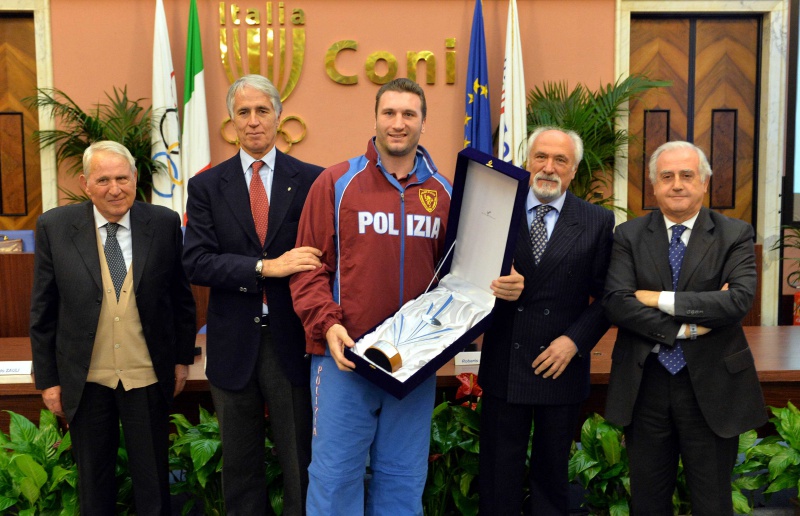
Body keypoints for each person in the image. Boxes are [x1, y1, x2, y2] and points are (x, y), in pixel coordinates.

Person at [290, 77, 523, 515]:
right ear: (376, 118)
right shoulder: (336, 183)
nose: (398, 123)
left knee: (402, 480)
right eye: (390, 113)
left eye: (409, 114)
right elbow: (309, 269)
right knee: (334, 479)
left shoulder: (446, 193)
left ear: (423, 122)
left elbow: (461, 277)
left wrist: (497, 280)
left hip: (413, 364)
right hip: (345, 357)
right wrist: (328, 325)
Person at [29, 140, 197, 515]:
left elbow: (181, 300)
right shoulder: (55, 227)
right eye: (103, 180)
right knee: (94, 487)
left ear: (135, 178)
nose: (115, 189)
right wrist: (48, 380)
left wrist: (182, 360)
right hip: (86, 379)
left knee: (154, 486)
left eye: (122, 178)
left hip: (147, 376)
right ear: (86, 184)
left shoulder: (164, 223)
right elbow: (43, 309)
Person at [182, 74, 323, 516]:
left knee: (300, 463)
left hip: (292, 342)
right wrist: (265, 267)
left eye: (262, 110)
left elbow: (324, 257)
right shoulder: (207, 186)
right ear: (231, 122)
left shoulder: (314, 181)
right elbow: (196, 262)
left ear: (279, 117)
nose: (253, 121)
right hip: (232, 344)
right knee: (240, 469)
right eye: (243, 112)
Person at [603, 140, 767, 515]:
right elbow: (617, 303)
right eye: (667, 176)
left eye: (687, 175)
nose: (677, 184)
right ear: (653, 185)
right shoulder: (628, 235)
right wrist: (687, 328)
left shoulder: (734, 234)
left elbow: (738, 301)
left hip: (713, 385)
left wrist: (657, 298)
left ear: (704, 182)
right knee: (647, 502)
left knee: (712, 503)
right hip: (645, 384)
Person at [478, 127, 614, 515]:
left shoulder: (596, 220)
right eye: (541, 157)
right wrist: (492, 285)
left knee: (552, 478)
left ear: (574, 170)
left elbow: (609, 295)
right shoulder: (495, 209)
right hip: (505, 362)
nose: (548, 167)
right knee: (497, 478)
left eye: (560, 160)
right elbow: (463, 271)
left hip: (561, 365)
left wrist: (574, 341)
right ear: (527, 161)